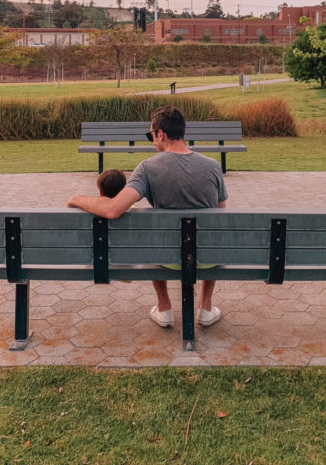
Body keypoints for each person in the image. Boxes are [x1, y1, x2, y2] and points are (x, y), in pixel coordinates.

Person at [67, 105, 228, 329]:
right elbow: (221, 213)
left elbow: (113, 209)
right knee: (213, 234)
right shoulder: (212, 167)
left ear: (160, 134)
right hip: (208, 256)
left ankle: (164, 308)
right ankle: (206, 307)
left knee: (154, 237)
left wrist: (76, 199)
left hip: (167, 258)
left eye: (151, 135)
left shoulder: (147, 168)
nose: (151, 140)